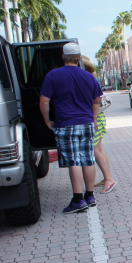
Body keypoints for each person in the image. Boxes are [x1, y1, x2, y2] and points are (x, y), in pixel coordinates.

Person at [39, 43, 103, 213]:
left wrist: (47, 121)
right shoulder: (89, 77)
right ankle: (90, 196)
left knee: (73, 161)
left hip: (66, 124)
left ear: (63, 57)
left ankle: (77, 200)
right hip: (86, 123)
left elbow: (44, 101)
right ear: (78, 57)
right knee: (88, 159)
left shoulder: (53, 75)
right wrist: (94, 119)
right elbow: (97, 101)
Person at [82, 56, 116, 194]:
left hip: (95, 118)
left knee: (96, 150)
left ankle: (109, 179)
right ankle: (107, 177)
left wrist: (93, 119)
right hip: (99, 117)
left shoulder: (87, 80)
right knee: (99, 149)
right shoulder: (91, 78)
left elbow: (93, 102)